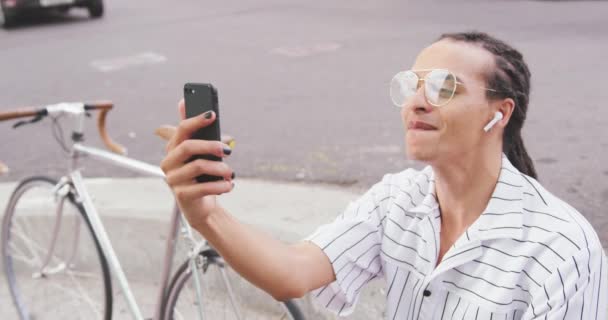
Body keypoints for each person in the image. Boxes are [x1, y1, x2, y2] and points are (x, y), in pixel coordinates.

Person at [160, 31, 607, 319]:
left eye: (442, 87)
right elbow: (292, 272)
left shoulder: (560, 247)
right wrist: (204, 216)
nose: (416, 101)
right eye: (410, 86)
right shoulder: (398, 200)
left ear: (499, 112)